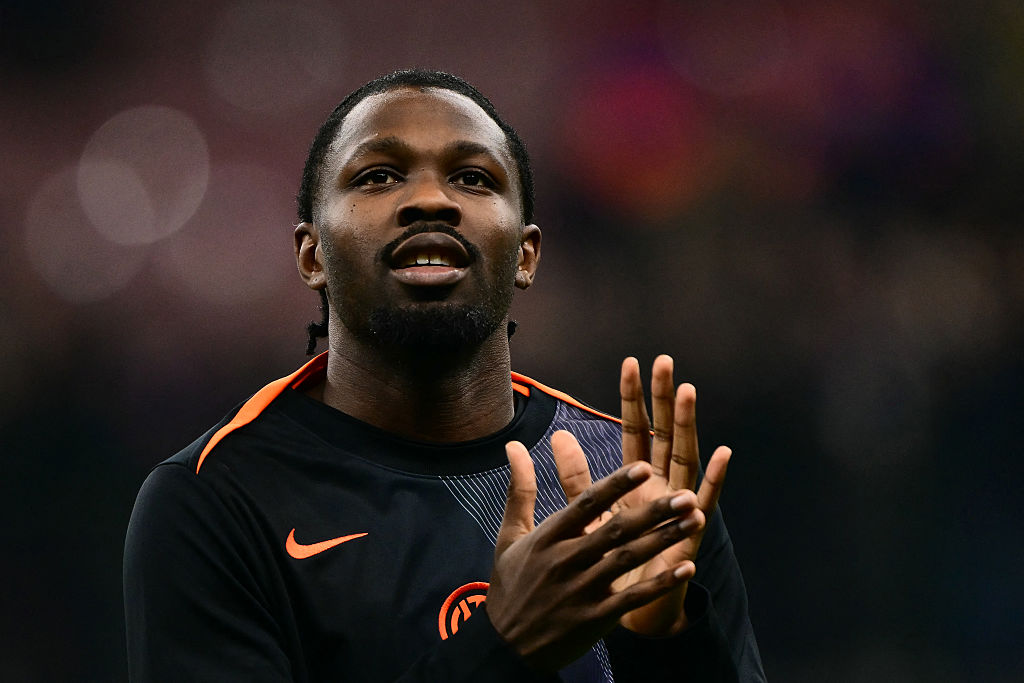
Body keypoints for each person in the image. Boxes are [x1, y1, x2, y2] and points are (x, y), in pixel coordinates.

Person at [123, 69, 765, 682]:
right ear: (312, 254)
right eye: (378, 176)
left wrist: (662, 641)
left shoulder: (635, 485)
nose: (430, 199)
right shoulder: (215, 501)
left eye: (472, 178)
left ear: (527, 254)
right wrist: (505, 647)